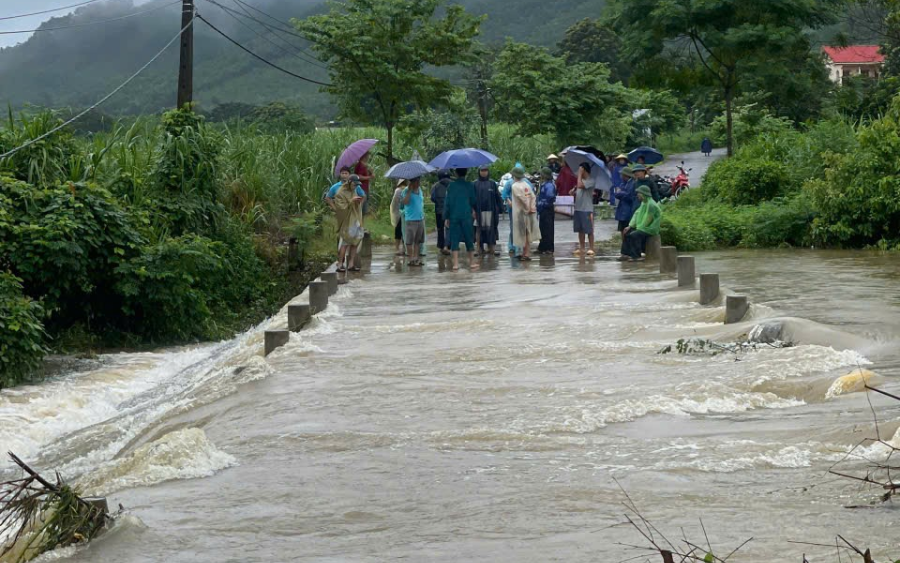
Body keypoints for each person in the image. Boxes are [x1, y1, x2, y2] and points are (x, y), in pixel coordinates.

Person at [325, 173, 366, 272]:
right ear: (349, 182)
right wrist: (351, 201)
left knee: (355, 241)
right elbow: (341, 208)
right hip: (347, 220)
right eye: (354, 184)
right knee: (345, 242)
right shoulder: (340, 192)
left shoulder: (354, 190)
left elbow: (361, 199)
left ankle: (351, 264)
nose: (355, 187)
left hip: (355, 218)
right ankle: (340, 264)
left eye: (357, 185)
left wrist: (357, 202)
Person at [444, 168, 478, 271]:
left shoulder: (451, 186)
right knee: (469, 237)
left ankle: (455, 264)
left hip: (454, 215)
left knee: (454, 238)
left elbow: (447, 202)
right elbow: (473, 200)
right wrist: (474, 210)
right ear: (466, 172)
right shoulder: (469, 185)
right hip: (466, 215)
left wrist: (446, 216)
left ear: (456, 173)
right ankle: (472, 262)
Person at [619, 185, 662, 262]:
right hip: (642, 227)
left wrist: (639, 229)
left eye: (639, 193)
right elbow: (636, 214)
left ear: (643, 194)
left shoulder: (651, 204)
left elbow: (648, 220)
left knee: (634, 235)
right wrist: (630, 226)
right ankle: (625, 254)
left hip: (650, 228)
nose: (637, 195)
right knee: (627, 231)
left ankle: (636, 256)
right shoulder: (643, 203)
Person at [510, 166, 539, 261]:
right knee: (527, 232)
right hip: (529, 212)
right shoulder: (527, 185)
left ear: (514, 175)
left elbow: (522, 198)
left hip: (520, 212)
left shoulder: (514, 186)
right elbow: (533, 196)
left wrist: (526, 208)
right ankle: (525, 252)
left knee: (522, 233)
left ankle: (525, 253)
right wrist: (531, 207)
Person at [474, 165, 503, 257]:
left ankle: (492, 249)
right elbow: (470, 198)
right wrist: (472, 210)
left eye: (485, 170)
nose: (484, 172)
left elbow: (497, 197)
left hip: (491, 210)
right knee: (478, 229)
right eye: (482, 170)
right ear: (479, 172)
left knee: (491, 230)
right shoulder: (474, 184)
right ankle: (478, 248)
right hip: (478, 211)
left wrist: (500, 208)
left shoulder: (492, 183)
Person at [401, 177, 426, 267]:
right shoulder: (406, 191)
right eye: (417, 181)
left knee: (417, 240)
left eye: (419, 181)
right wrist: (409, 191)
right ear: (412, 182)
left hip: (420, 218)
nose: (418, 183)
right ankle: (411, 258)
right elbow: (405, 202)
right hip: (411, 219)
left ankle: (416, 258)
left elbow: (421, 203)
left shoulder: (420, 190)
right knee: (409, 241)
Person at [573, 162, 596, 257]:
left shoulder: (591, 180)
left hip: (586, 209)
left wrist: (579, 175)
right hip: (578, 208)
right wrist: (573, 191)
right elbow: (577, 189)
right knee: (580, 229)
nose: (579, 172)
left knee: (589, 230)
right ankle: (582, 247)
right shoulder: (581, 180)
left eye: (580, 170)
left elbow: (580, 185)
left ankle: (591, 248)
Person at [537, 167, 557, 255]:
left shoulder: (550, 185)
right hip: (542, 209)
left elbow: (550, 197)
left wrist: (541, 203)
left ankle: (549, 248)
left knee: (548, 229)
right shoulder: (544, 184)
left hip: (547, 209)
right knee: (542, 229)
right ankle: (542, 247)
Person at [431, 171, 452, 254]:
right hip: (450, 211)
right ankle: (449, 246)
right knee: (449, 228)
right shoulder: (453, 184)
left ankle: (441, 246)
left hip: (439, 211)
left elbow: (433, 198)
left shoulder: (435, 186)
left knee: (440, 229)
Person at [613, 167, 637, 234]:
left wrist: (621, 193)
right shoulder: (622, 183)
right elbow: (616, 194)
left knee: (627, 231)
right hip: (622, 210)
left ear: (625, 175)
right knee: (622, 230)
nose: (620, 176)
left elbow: (629, 196)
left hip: (628, 211)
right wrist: (621, 193)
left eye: (621, 174)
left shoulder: (633, 183)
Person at [390, 179, 406, 256]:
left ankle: (398, 248)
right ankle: (402, 248)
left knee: (399, 232)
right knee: (403, 231)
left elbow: (395, 202)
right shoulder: (402, 190)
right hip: (404, 214)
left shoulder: (399, 190)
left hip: (399, 213)